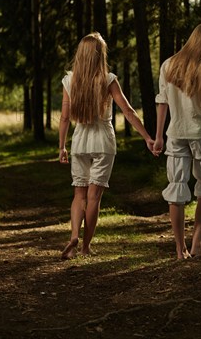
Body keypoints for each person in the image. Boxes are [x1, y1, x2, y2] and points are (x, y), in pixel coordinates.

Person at [59, 32, 154, 260]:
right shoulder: (108, 79)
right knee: (94, 198)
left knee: (78, 195)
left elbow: (64, 118)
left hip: (79, 142)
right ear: (100, 55)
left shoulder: (69, 80)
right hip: (103, 142)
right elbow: (128, 112)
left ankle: (74, 235)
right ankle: (85, 247)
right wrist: (147, 137)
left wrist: (61, 146)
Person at [153, 22, 201, 260]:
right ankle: (196, 245)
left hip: (175, 133)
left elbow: (162, 103)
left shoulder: (169, 64)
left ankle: (179, 248)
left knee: (176, 188)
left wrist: (158, 136)